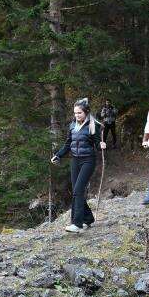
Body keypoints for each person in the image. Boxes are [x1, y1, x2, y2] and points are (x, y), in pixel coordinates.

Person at [51, 98, 106, 233]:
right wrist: (58, 155)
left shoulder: (93, 125)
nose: (77, 115)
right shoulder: (72, 125)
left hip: (88, 160)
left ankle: (77, 223)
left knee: (78, 191)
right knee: (76, 191)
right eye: (75, 113)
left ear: (86, 112)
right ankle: (88, 219)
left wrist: (101, 145)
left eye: (79, 113)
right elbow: (68, 143)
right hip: (75, 160)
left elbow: (98, 143)